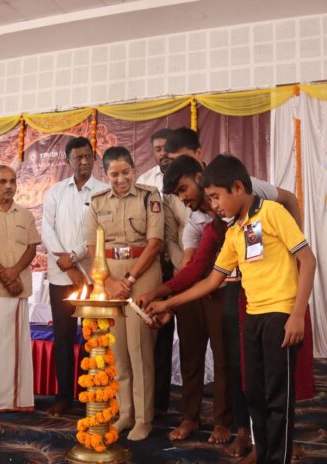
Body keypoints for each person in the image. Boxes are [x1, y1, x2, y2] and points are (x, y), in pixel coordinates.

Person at [146, 155, 316, 464]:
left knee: (278, 396)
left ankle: (279, 457)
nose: (213, 205)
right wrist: (167, 302)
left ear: (237, 187)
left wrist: (296, 314)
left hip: (281, 315)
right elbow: (211, 280)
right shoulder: (235, 231)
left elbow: (308, 260)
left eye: (215, 197)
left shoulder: (273, 212)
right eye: (209, 198)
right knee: (254, 393)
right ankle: (263, 453)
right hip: (252, 317)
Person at [86, 146, 164, 441]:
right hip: (110, 276)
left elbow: (155, 243)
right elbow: (92, 248)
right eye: (114, 174)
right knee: (118, 352)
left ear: (134, 169)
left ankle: (144, 418)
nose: (121, 179)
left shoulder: (149, 196)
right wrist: (107, 282)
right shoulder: (97, 202)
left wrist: (129, 279)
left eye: (126, 172)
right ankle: (125, 413)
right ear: (105, 174)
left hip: (142, 274)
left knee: (139, 348)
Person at [41, 136, 107, 416]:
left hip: (94, 276)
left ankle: (94, 393)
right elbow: (47, 229)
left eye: (88, 156)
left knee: (95, 336)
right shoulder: (55, 192)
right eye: (78, 157)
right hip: (61, 275)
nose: (83, 161)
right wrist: (68, 265)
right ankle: (64, 396)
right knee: (64, 336)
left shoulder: (103, 191)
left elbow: (100, 231)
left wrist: (76, 256)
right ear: (67, 161)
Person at [0, 165, 39, 412]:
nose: (9, 186)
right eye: (2, 182)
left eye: (12, 181)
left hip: (18, 288)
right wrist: (4, 274)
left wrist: (14, 273)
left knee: (16, 346)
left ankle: (19, 400)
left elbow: (32, 248)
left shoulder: (25, 215)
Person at [137, 128, 189, 416]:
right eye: (158, 149)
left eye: (167, 149)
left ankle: (191, 408)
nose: (163, 154)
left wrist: (186, 267)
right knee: (160, 335)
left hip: (192, 267)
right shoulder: (144, 182)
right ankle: (158, 402)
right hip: (160, 266)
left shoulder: (192, 179)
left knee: (193, 337)